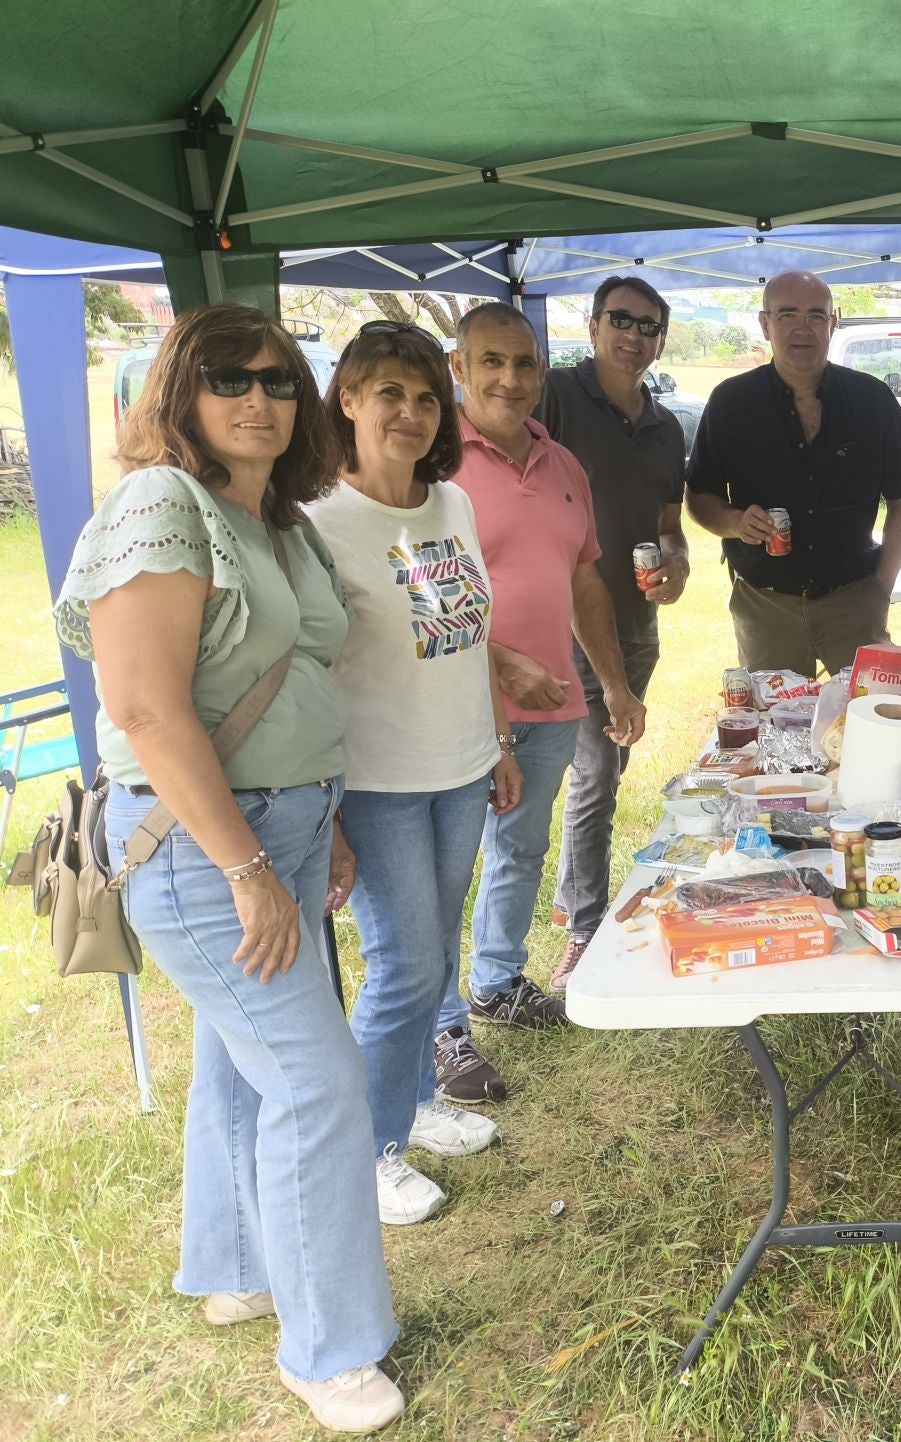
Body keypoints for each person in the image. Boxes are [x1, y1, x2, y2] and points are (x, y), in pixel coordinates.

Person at [54, 304, 403, 1432]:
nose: (259, 397)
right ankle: (330, 1347)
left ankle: (238, 1269)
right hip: (206, 848)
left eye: (279, 379)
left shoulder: (275, 516)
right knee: (315, 1077)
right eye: (228, 376)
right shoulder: (161, 504)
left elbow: (290, 679)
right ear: (179, 390)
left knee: (244, 1062)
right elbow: (148, 708)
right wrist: (250, 865)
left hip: (287, 826)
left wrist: (323, 822)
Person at [309, 320, 521, 1227]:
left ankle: (413, 1103)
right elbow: (308, 677)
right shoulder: (317, 523)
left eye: (426, 396)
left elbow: (466, 634)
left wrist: (501, 742)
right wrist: (331, 816)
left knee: (435, 953)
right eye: (388, 392)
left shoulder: (452, 505)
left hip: (461, 765)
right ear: (348, 400)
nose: (409, 412)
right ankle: (367, 1151)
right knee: (403, 966)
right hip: (378, 782)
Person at [431, 302, 646, 1103]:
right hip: (453, 707)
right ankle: (441, 1026)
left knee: (521, 848)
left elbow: (584, 578)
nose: (511, 380)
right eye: (492, 362)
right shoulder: (434, 462)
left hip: (553, 702)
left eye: (525, 364)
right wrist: (495, 667)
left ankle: (495, 980)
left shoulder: (562, 464)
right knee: (445, 868)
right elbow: (407, 598)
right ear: (460, 368)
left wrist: (615, 684)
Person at [534, 276, 691, 986]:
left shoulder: (665, 426)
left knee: (610, 767)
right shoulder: (556, 397)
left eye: (649, 326)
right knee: (596, 774)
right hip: (564, 624)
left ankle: (573, 899)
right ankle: (588, 930)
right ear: (593, 326)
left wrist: (678, 566)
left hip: (637, 625)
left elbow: (668, 526)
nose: (634, 335)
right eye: (621, 320)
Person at [686, 269, 901, 676]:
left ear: (833, 323)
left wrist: (881, 586)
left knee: (868, 721)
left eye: (817, 315)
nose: (803, 328)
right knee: (774, 726)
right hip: (765, 606)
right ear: (765, 324)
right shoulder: (731, 402)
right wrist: (734, 522)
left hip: (855, 600)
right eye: (787, 314)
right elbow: (698, 497)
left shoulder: (872, 400)